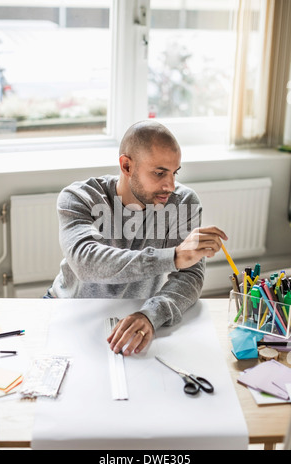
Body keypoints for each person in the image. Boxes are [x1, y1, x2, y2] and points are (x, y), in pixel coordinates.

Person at [48, 120, 227, 356]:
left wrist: (151, 314)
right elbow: (85, 262)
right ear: (126, 166)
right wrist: (172, 257)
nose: (171, 185)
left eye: (174, 173)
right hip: (69, 309)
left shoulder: (184, 202)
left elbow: (190, 276)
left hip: (135, 314)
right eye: (159, 173)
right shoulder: (79, 197)